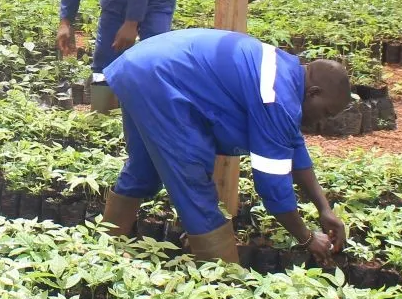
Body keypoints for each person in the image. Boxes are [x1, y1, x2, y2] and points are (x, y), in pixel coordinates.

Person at [99, 28, 350, 265]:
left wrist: (324, 209)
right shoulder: (278, 97)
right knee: (192, 178)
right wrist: (307, 237)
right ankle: (224, 285)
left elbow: (293, 148)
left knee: (144, 167)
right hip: (161, 78)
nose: (322, 123)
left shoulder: (287, 74)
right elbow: (272, 187)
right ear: (314, 93)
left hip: (141, 68)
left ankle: (105, 251)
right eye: (326, 113)